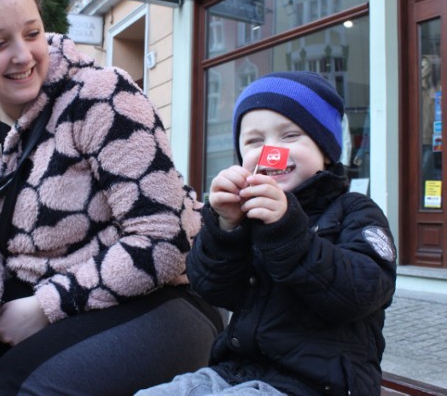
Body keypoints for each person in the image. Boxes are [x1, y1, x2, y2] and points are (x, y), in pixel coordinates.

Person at [0, 0, 223, 395]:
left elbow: (165, 239)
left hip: (160, 298)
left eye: (32, 33)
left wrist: (47, 307)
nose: (23, 55)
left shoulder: (103, 95)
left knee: (19, 383)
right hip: (33, 290)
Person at [137, 71, 397, 396]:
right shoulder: (246, 216)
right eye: (255, 141)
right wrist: (225, 227)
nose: (272, 151)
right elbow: (212, 289)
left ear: (327, 151)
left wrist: (287, 230)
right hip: (235, 372)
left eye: (290, 136)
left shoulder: (355, 211)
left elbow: (364, 292)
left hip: (320, 383)